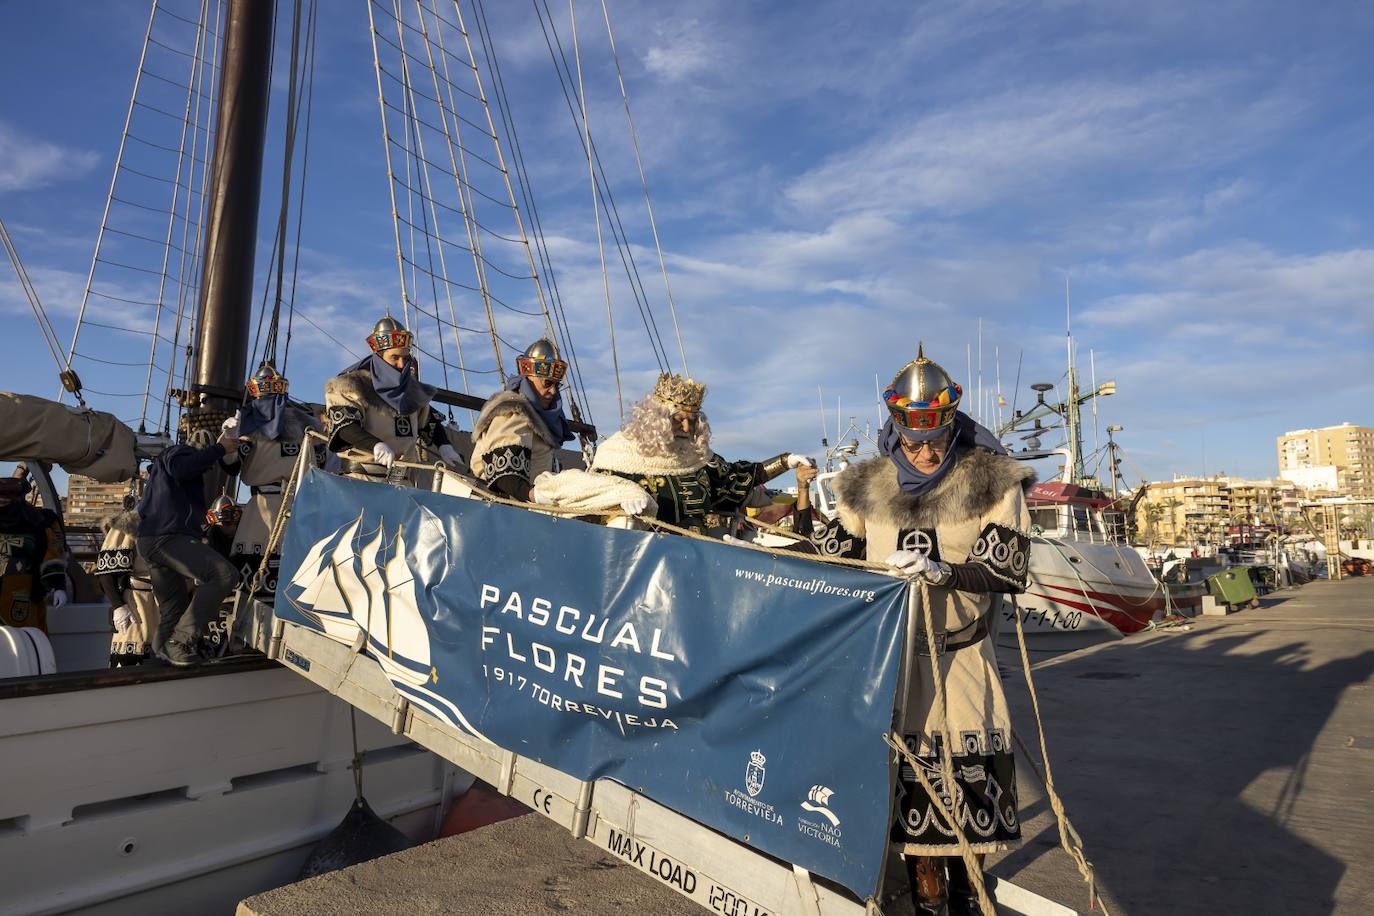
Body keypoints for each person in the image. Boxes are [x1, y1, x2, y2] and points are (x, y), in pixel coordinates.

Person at [796, 344, 1031, 916]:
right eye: (912, 441)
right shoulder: (865, 484)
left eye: (936, 440)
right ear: (896, 429)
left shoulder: (993, 481)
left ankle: (969, 897)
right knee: (909, 806)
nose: (925, 452)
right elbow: (829, 553)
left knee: (968, 808)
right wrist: (793, 526)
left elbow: (1008, 569)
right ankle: (926, 902)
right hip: (892, 665)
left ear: (952, 425)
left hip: (961, 661)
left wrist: (944, 572)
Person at [552, 373, 812, 534]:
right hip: (645, 561)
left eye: (692, 420)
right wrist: (619, 501)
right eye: (678, 419)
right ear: (657, 419)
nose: (687, 428)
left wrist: (785, 461)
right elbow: (594, 493)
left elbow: (737, 476)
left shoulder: (698, 459)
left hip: (700, 555)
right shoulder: (619, 453)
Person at [136, 426, 241, 666]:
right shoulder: (178, 453)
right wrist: (220, 449)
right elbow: (182, 467)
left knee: (174, 609)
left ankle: (160, 662)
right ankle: (181, 641)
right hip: (168, 536)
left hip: (151, 539)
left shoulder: (165, 473)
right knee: (224, 574)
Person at [220, 362, 322, 596]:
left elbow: (322, 464)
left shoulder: (305, 427)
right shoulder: (247, 425)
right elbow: (231, 465)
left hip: (298, 503)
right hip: (262, 508)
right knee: (256, 571)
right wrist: (228, 437)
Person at [324, 315, 462, 483]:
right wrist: (375, 445)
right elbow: (344, 427)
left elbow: (428, 421)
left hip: (404, 482)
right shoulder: (350, 385)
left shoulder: (411, 389)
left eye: (405, 358)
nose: (401, 364)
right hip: (362, 479)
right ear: (379, 356)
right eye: (395, 357)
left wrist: (444, 445)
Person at [469, 338, 575, 501]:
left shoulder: (544, 419)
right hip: (497, 506)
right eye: (547, 383)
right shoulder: (512, 411)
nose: (553, 391)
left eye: (557, 385)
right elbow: (503, 475)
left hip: (525, 505)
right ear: (528, 379)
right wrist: (535, 496)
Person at [94, 494, 158, 666]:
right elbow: (106, 572)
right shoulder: (129, 524)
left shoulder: (173, 521)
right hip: (138, 604)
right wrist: (118, 606)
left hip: (166, 604)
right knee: (132, 656)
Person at [0, 471, 66, 631]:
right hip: (18, 590)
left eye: (9, 496)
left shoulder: (36, 522)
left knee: (23, 638)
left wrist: (57, 585)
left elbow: (50, 552)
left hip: (21, 591)